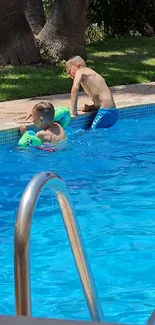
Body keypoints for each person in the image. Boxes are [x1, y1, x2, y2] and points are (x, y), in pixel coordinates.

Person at [66, 55, 118, 129]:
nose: (69, 75)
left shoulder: (80, 71)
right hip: (113, 112)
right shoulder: (93, 74)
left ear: (78, 66)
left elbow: (75, 88)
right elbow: (102, 98)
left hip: (105, 112)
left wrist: (74, 112)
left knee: (93, 132)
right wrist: (90, 107)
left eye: (69, 71)